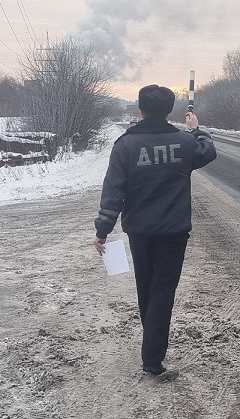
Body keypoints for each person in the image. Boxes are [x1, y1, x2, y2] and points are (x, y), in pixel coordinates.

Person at [92, 84, 218, 378]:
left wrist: (102, 229)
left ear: (140, 108)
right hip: (173, 231)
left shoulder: (125, 145)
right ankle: (152, 357)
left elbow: (113, 192)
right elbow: (208, 152)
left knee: (147, 288)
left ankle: (152, 348)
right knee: (163, 291)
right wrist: (197, 129)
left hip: (140, 231)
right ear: (169, 109)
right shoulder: (184, 143)